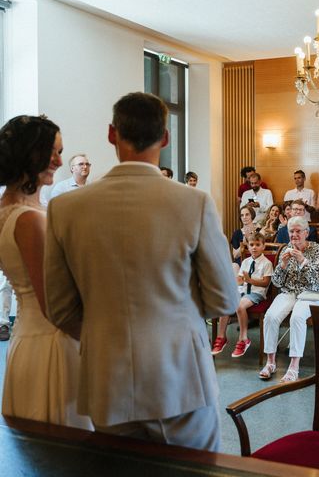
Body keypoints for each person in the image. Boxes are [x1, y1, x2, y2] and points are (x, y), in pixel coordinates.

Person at [44, 92, 239, 451]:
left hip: (106, 378)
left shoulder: (66, 208)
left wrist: (108, 333)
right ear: (165, 138)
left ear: (110, 134)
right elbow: (225, 297)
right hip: (181, 378)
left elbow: (58, 308)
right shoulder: (193, 202)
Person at [0, 115, 92, 430]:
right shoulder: (29, 220)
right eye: (52, 152)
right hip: (54, 344)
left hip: (29, 339)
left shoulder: (9, 211)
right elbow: (55, 304)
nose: (59, 161)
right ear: (29, 153)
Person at [261, 216, 319, 383]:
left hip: (314, 293)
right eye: (291, 231)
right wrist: (282, 266)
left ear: (306, 232)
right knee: (270, 316)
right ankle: (270, 362)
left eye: (298, 231)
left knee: (297, 316)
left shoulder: (315, 249)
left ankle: (294, 366)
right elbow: (276, 282)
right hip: (291, 292)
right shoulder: (286, 249)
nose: (294, 235)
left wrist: (302, 260)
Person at [212, 233, 273, 358]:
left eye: (257, 245)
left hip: (257, 293)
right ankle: (221, 337)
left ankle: (243, 339)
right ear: (248, 247)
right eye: (251, 245)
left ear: (263, 246)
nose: (254, 247)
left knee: (239, 306)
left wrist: (250, 280)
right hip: (244, 291)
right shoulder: (245, 261)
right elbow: (240, 279)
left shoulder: (267, 263)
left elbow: (266, 283)